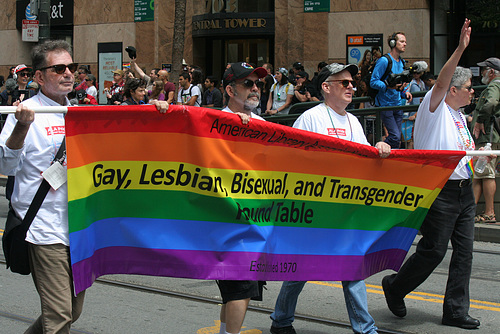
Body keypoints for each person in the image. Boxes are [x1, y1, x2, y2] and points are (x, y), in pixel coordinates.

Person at [0, 40, 168, 334]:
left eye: (72, 67)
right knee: (59, 317)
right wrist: (22, 126)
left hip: (80, 228)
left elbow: (125, 145)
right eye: (60, 68)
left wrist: (154, 114)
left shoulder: (83, 113)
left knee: (72, 312)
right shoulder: (26, 112)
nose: (69, 73)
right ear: (40, 77)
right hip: (43, 230)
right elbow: (4, 164)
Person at [270, 63, 391, 334]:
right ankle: (281, 320)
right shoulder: (311, 118)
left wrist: (379, 148)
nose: (351, 87)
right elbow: (293, 159)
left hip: (345, 210)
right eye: (344, 83)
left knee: (351, 266)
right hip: (314, 210)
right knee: (302, 267)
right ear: (326, 88)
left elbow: (365, 158)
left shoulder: (352, 121)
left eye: (351, 83)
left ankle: (365, 328)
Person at [381, 19, 482, 330]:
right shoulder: (433, 106)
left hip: (463, 191)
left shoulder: (458, 115)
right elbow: (439, 83)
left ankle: (454, 311)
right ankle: (395, 287)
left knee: (464, 254)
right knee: (434, 250)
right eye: (467, 87)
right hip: (439, 191)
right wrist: (461, 48)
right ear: (453, 88)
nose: (472, 91)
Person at [217, 61, 268, 334]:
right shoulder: (215, 122)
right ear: (229, 89)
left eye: (257, 84)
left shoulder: (262, 124)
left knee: (236, 288)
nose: (255, 89)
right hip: (227, 223)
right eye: (248, 83)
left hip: (255, 221)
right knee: (240, 288)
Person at [370, 32, 412, 148]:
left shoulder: (402, 62)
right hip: (385, 105)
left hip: (397, 104)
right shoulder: (384, 61)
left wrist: (404, 92)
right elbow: (373, 81)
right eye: (402, 41)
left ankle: (389, 158)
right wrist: (387, 86)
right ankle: (378, 148)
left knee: (397, 139)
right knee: (395, 136)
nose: (405, 44)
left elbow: (401, 83)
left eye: (405, 42)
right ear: (393, 43)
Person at [471, 57, 500, 224]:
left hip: (487, 136)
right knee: (480, 174)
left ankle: (489, 213)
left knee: (486, 173)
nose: (481, 72)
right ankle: (472, 210)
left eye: (484, 69)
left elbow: (490, 103)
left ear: (491, 72)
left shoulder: (495, 85)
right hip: (490, 136)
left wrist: (480, 119)